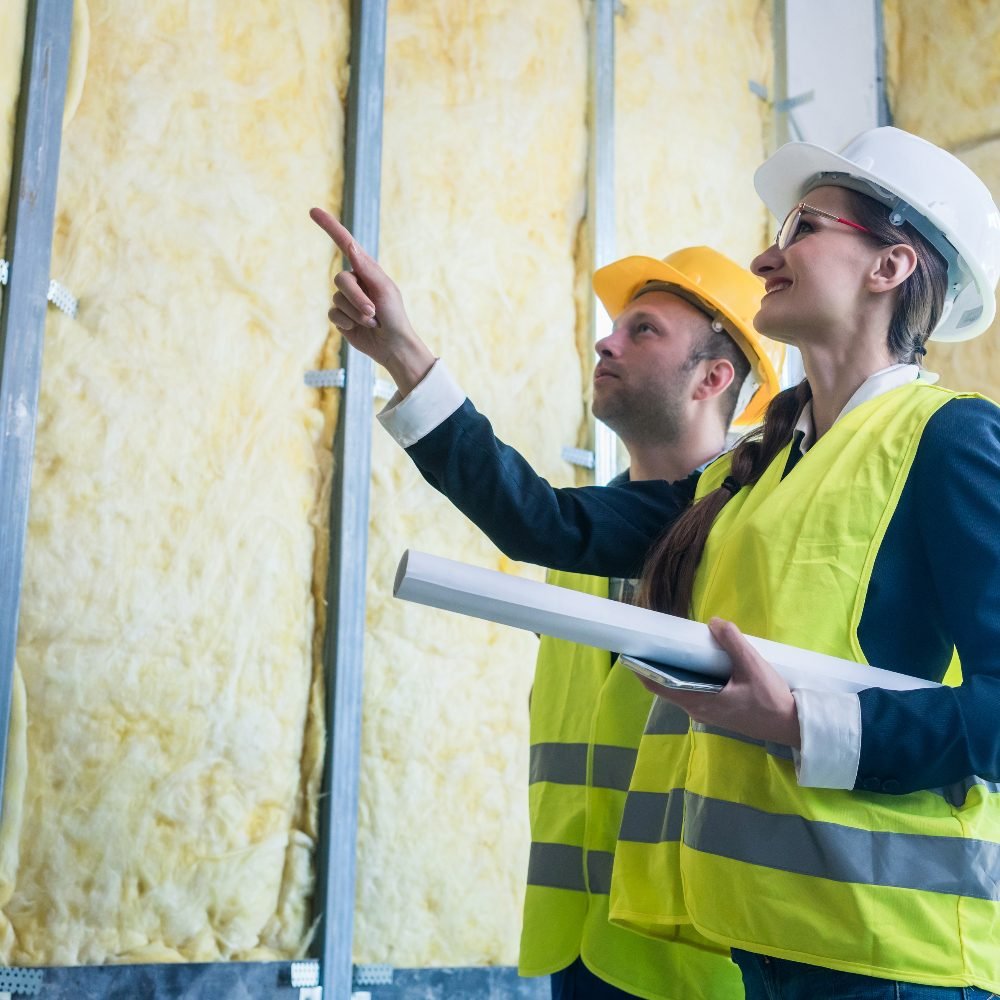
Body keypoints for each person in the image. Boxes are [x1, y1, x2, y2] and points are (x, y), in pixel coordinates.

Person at [309, 123, 1000, 996]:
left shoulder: (948, 439)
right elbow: (549, 527)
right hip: (771, 944)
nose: (763, 257)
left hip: (902, 960)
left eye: (801, 229)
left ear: (889, 266)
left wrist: (802, 723)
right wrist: (403, 353)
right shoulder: (755, 474)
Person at [520, 249, 778, 1000]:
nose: (607, 343)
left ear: (712, 378)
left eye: (643, 331)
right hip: (581, 939)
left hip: (694, 951)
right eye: (613, 329)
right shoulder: (578, 535)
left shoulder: (747, 532)